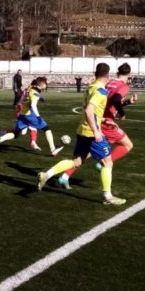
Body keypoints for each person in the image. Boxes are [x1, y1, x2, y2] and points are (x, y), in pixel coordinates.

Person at [37, 63, 125, 206]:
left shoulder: (89, 88)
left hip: (82, 130)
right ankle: (108, 196)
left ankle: (46, 175)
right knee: (108, 162)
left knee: (77, 161)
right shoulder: (101, 91)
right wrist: (97, 131)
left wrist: (103, 120)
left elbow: (88, 110)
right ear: (108, 76)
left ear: (95, 73)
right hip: (92, 133)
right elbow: (89, 111)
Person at [57, 63, 137, 191]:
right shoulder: (123, 86)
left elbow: (109, 100)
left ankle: (65, 176)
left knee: (86, 154)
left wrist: (127, 102)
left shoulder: (108, 82)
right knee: (128, 145)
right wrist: (122, 114)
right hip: (106, 123)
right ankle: (102, 166)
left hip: (97, 120)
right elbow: (116, 100)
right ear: (129, 75)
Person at [0, 77, 63, 156]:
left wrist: (39, 98)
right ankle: (53, 149)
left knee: (16, 134)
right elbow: (33, 105)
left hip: (22, 114)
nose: (46, 85)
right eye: (46, 84)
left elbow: (25, 97)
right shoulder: (36, 92)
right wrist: (38, 116)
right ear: (42, 84)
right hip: (30, 114)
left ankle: (0, 139)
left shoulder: (29, 88)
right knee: (47, 129)